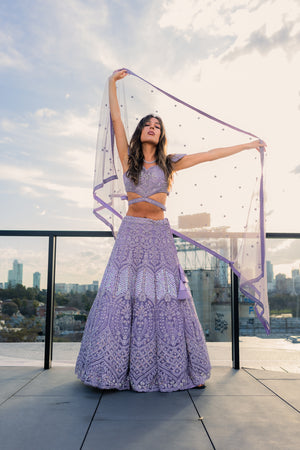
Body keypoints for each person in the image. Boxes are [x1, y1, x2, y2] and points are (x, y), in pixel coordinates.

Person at [75, 69, 265, 392]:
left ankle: (177, 371)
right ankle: (108, 372)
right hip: (132, 234)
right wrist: (110, 84)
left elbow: (207, 156)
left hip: (160, 235)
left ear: (161, 136)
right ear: (141, 132)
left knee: (165, 299)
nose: (152, 128)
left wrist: (248, 145)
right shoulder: (128, 158)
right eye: (148, 125)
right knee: (122, 298)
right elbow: (116, 123)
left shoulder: (169, 163)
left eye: (157, 126)